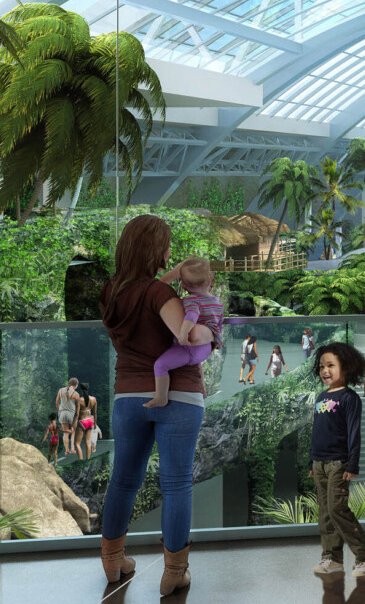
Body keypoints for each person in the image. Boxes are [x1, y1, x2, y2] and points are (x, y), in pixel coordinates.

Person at [99, 215, 206, 595]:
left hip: (127, 396)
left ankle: (113, 562)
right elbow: (186, 335)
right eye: (165, 246)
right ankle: (174, 572)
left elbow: (142, 293)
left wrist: (171, 273)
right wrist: (209, 329)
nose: (169, 252)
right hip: (177, 395)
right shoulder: (162, 296)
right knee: (176, 484)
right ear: (153, 249)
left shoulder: (111, 291)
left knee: (124, 480)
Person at [307, 341, 365, 578]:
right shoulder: (320, 397)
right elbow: (316, 432)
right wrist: (311, 462)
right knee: (325, 512)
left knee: (338, 509)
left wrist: (353, 464)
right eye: (321, 366)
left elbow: (353, 433)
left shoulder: (349, 398)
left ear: (345, 368)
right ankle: (332, 558)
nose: (325, 371)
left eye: (331, 365)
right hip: (319, 463)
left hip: (339, 462)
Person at [145, 257, 220, 408]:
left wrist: (183, 334)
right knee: (197, 364)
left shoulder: (190, 301)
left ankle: (161, 397)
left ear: (184, 286)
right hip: (205, 349)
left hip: (189, 348)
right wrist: (217, 339)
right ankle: (202, 388)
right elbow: (217, 323)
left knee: (160, 365)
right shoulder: (217, 301)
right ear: (211, 282)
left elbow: (191, 317)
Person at [56, 379, 79, 456]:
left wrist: (59, 411)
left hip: (62, 413)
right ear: (76, 385)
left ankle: (66, 450)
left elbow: (57, 402)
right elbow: (78, 408)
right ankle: (72, 449)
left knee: (65, 433)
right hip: (71, 414)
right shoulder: (76, 394)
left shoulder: (61, 390)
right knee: (73, 431)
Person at [77, 384, 99, 460]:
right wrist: (95, 423)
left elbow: (76, 414)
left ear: (81, 389)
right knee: (87, 442)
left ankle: (80, 459)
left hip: (82, 421)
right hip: (90, 421)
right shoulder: (94, 399)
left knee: (77, 443)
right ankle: (87, 459)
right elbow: (95, 413)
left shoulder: (79, 400)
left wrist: (73, 423)